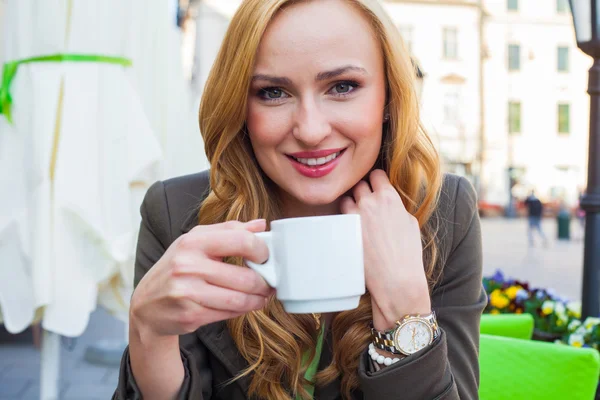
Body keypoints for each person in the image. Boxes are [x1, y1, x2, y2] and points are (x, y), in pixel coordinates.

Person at [113, 0, 486, 399]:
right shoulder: (176, 213)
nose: (309, 130)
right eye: (273, 92)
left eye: (342, 87)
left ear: (389, 98)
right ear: (240, 105)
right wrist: (148, 334)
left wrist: (406, 314)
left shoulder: (442, 213)